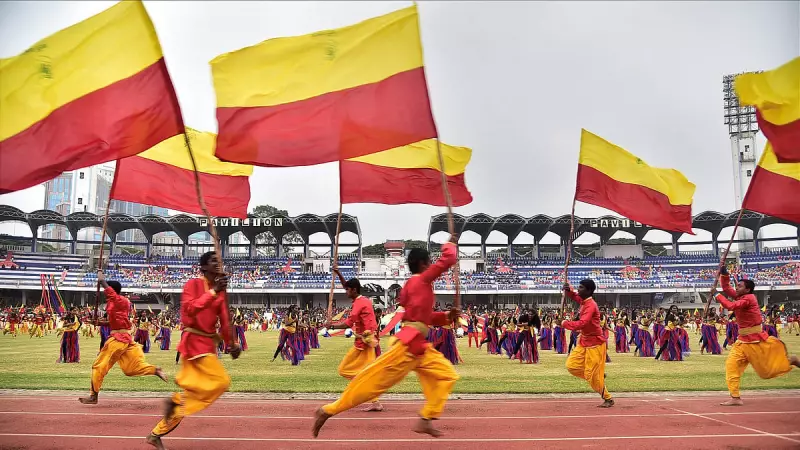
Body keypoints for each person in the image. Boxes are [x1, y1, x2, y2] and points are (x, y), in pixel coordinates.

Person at [313, 235, 461, 438]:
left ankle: (426, 418)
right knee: (373, 383)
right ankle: (328, 410)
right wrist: (450, 243)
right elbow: (449, 259)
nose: (432, 266)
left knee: (447, 375)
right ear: (423, 264)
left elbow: (424, 318)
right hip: (408, 347)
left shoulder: (415, 286)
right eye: (430, 263)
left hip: (418, 346)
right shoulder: (421, 280)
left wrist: (446, 316)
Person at [147, 251, 240, 449]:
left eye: (219, 260)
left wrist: (232, 343)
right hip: (194, 344)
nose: (218, 263)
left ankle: (156, 433)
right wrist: (213, 292)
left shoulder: (221, 291)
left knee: (195, 391)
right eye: (213, 260)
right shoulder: (192, 285)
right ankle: (176, 402)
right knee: (221, 381)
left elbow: (225, 321)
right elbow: (189, 310)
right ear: (204, 267)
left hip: (207, 345)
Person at [712, 265, 799, 406]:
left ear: (747, 289)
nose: (736, 288)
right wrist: (724, 274)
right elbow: (727, 288)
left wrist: (716, 294)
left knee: (766, 372)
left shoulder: (748, 299)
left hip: (755, 341)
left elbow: (731, 306)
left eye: (739, 286)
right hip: (742, 341)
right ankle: (735, 397)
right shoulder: (741, 296)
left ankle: (791, 361)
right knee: (731, 366)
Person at [79, 271, 166, 405]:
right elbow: (114, 322)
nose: (105, 293)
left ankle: (93, 396)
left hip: (117, 340)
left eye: (107, 291)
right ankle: (154, 370)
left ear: (112, 290)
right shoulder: (115, 303)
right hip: (125, 339)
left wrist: (101, 280)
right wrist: (98, 322)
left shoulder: (119, 300)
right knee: (129, 370)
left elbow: (109, 292)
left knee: (98, 366)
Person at [325, 267, 383, 412]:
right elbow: (347, 285)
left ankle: (363, 387)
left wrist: (331, 326)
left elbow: (348, 323)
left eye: (348, 290)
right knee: (365, 371)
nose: (346, 292)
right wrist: (338, 273)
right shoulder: (363, 300)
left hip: (365, 343)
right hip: (366, 342)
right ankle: (372, 398)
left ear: (354, 290)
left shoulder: (359, 303)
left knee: (344, 369)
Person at [562, 279, 613, 408]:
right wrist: (569, 291)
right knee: (571, 366)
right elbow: (575, 296)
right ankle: (597, 376)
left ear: (589, 291)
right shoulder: (584, 301)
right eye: (578, 287)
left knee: (592, 376)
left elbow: (583, 323)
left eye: (581, 287)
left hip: (595, 344)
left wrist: (565, 324)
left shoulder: (591, 305)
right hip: (584, 341)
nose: (578, 289)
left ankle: (608, 398)